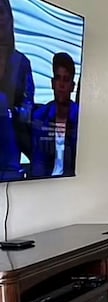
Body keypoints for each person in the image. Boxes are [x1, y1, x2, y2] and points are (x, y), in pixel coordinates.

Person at [0, 0, 35, 181]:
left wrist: (7, 111)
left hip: (10, 152)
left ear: (10, 18)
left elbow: (27, 110)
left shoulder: (22, 63)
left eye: (0, 13)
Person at [31, 52, 79, 178]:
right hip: (45, 186)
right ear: (52, 83)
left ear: (72, 86)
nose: (61, 85)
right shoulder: (40, 116)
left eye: (66, 80)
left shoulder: (81, 118)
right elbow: (37, 163)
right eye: (58, 78)